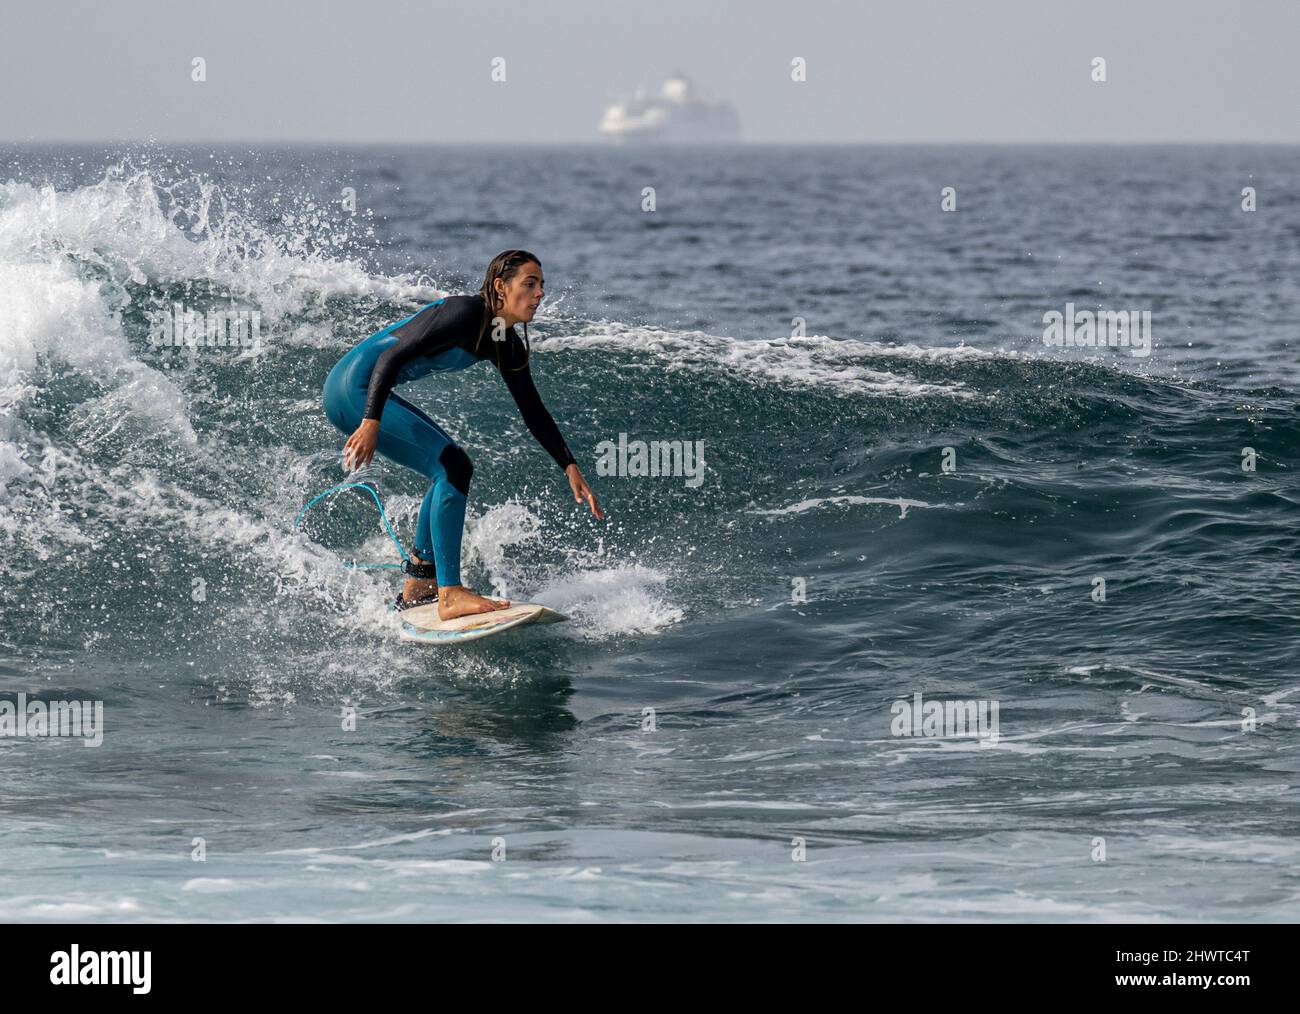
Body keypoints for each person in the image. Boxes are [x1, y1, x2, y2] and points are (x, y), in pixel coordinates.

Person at [322, 249, 603, 620]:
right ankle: (449, 594)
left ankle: (420, 581)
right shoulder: (464, 313)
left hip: (366, 391)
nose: (540, 294)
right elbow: (391, 358)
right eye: (530, 284)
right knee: (453, 467)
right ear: (501, 287)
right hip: (354, 388)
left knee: (449, 468)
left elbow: (532, 410)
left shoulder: (504, 340)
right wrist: (370, 422)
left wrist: (569, 465)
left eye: (542, 286)